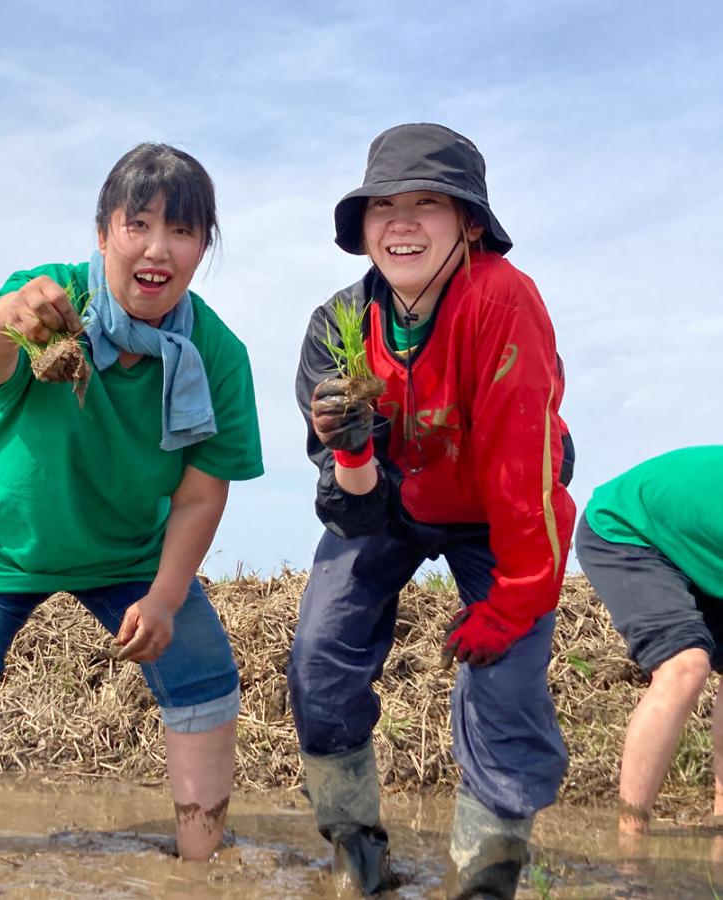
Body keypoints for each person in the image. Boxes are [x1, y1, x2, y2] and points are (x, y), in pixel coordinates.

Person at [0, 143, 264, 860]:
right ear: (102, 234)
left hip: (130, 552)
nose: (157, 249)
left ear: (204, 247)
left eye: (182, 231)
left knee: (203, 672)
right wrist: (9, 315)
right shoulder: (50, 299)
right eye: (138, 225)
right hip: (1, 542)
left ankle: (201, 865)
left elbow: (200, 494)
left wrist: (166, 597)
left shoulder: (217, 354)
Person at [288, 123, 576, 898]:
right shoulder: (337, 328)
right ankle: (355, 847)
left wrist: (513, 600)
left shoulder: (502, 300)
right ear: (363, 228)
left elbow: (524, 467)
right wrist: (352, 453)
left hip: (494, 506)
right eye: (384, 206)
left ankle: (488, 869)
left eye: (428, 204)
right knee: (320, 654)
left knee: (505, 678)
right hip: (388, 503)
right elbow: (352, 512)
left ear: (470, 224)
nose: (402, 223)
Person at [575, 445, 723, 837]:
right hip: (627, 528)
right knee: (685, 667)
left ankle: (721, 815)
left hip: (698, 547)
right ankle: (631, 837)